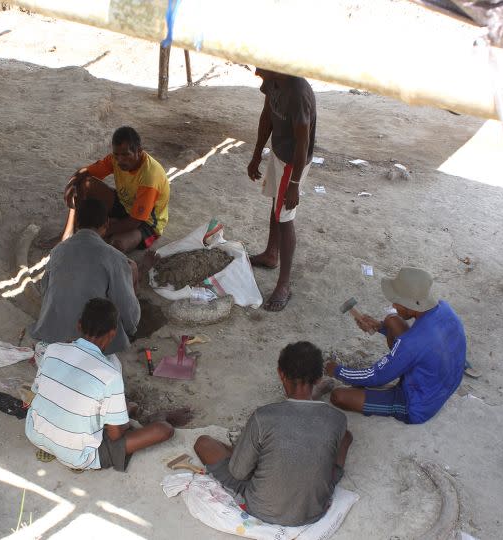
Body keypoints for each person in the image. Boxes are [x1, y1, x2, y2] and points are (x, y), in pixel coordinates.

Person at [194, 341, 352, 527]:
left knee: (204, 444)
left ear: (280, 374)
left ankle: (250, 453)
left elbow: (238, 473)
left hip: (262, 508)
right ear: (318, 378)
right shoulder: (337, 418)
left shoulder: (263, 416)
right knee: (345, 436)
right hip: (313, 510)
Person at [25, 298, 174, 471]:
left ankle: (57, 442)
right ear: (112, 333)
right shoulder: (110, 375)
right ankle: (75, 453)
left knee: (105, 408)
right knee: (164, 430)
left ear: (79, 325)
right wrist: (122, 423)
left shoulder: (53, 350)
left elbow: (37, 392)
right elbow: (115, 436)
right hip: (77, 455)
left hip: (34, 433)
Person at [325, 267, 466, 425]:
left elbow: (376, 376)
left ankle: (394, 399)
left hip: (419, 404)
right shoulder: (444, 309)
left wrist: (337, 371)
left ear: (411, 305)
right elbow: (426, 345)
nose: (393, 304)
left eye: (397, 301)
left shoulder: (412, 344)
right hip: (442, 381)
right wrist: (379, 326)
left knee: (339, 396)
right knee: (392, 319)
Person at [31, 198, 140, 358]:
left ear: (77, 223)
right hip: (93, 338)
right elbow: (127, 308)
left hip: (51, 331)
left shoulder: (58, 251)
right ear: (106, 224)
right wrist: (131, 329)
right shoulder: (114, 257)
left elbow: (45, 289)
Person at [246, 68, 316, 312]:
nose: (256, 72)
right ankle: (270, 254)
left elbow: (303, 141)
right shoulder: (273, 81)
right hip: (279, 152)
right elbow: (267, 117)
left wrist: (294, 184)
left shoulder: (298, 92)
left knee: (285, 215)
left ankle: (284, 284)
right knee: (276, 205)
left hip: (293, 162)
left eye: (260, 67)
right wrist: (256, 154)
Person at [59, 127, 170, 253]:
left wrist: (101, 231)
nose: (120, 160)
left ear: (139, 151)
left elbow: (134, 222)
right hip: (125, 203)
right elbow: (86, 171)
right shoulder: (115, 159)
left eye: (125, 155)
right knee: (83, 184)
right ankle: (68, 233)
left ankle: (100, 230)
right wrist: (70, 185)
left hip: (146, 222)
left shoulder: (150, 177)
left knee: (117, 245)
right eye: (116, 154)